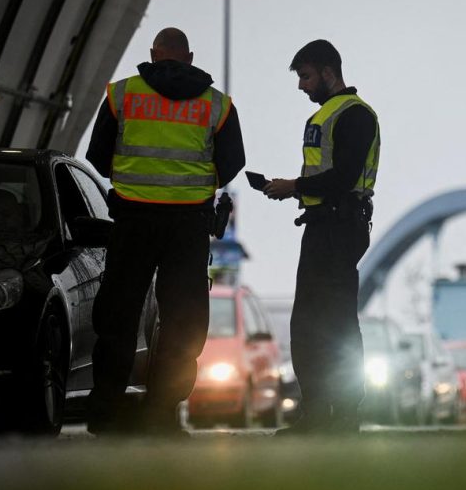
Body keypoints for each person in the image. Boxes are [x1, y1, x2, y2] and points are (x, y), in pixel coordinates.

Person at [84, 27, 245, 435]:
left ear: (153, 54)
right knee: (182, 320)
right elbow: (233, 162)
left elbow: (97, 156)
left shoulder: (122, 95)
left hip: (132, 220)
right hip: (188, 225)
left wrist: (134, 182)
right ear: (189, 57)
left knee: (118, 315)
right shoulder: (217, 104)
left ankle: (106, 410)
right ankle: (162, 414)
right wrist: (191, 185)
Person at [264, 39, 380, 435]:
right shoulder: (330, 114)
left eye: (306, 76)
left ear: (329, 72)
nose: (302, 86)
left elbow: (344, 177)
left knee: (336, 323)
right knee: (311, 323)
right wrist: (296, 189)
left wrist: (293, 185)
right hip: (321, 225)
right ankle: (318, 412)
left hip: (340, 227)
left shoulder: (355, 115)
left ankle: (344, 413)